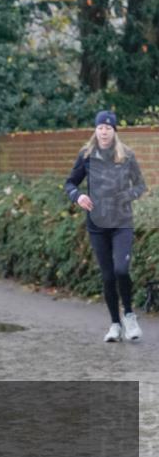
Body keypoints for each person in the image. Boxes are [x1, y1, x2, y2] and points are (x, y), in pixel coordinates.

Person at [64, 110, 148, 343]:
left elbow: (141, 186)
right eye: (100, 127)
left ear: (114, 131)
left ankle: (129, 315)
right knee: (108, 275)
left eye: (108, 128)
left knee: (121, 269)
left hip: (121, 222)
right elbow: (70, 182)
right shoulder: (87, 155)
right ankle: (115, 324)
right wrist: (77, 196)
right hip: (97, 224)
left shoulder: (126, 156)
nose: (104, 131)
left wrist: (126, 195)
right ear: (96, 130)